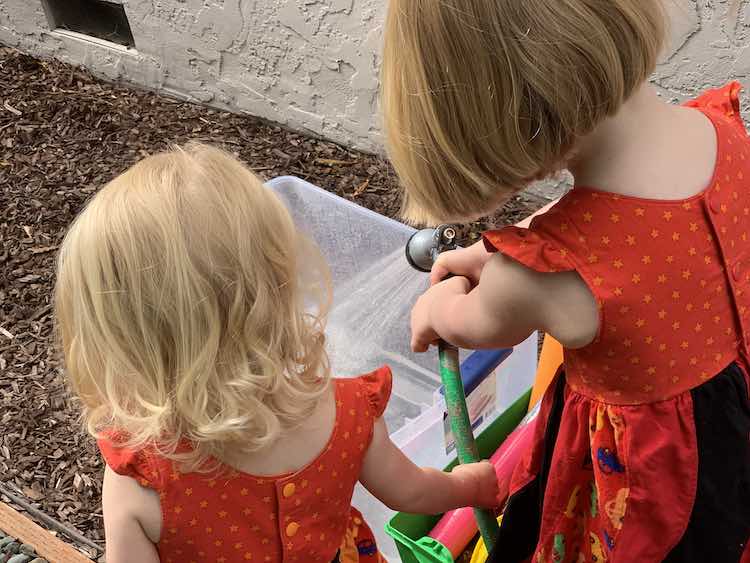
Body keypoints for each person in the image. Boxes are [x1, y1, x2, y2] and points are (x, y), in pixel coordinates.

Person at [381, 1, 750, 561]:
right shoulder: (722, 134)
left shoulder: (539, 278)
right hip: (732, 416)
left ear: (505, 116)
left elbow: (472, 321)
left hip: (653, 483)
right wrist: (505, 250)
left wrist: (435, 309)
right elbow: (622, 217)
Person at [54, 143, 499, 563]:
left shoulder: (143, 478)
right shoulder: (345, 412)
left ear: (121, 344)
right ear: (281, 285)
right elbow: (413, 493)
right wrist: (469, 485)